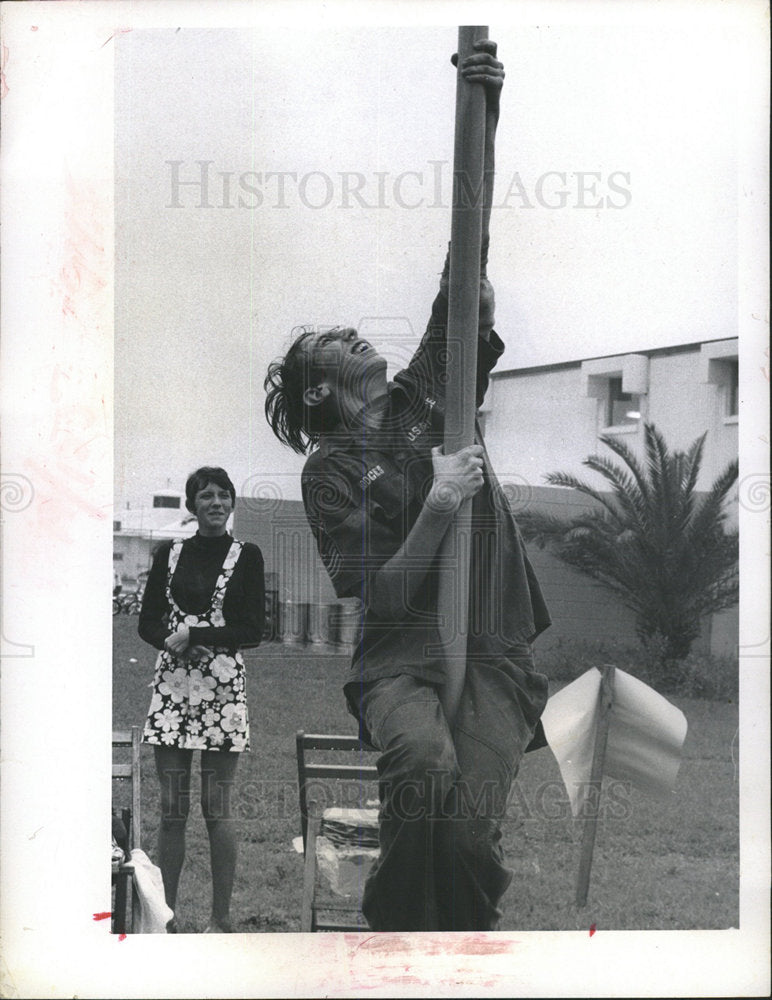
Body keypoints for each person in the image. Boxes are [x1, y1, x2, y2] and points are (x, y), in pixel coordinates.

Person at [264, 41, 551, 932]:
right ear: (320, 390)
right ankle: (394, 953)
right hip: (400, 658)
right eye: (338, 343)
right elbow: (380, 595)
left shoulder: (428, 391)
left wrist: (482, 102)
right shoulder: (332, 469)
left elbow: (469, 244)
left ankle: (445, 956)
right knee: (421, 773)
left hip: (494, 641)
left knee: (467, 834)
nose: (357, 338)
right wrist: (436, 503)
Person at [138, 466, 264, 932]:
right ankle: (166, 919)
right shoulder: (169, 554)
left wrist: (201, 633)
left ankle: (220, 918)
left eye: (223, 495)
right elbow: (148, 621)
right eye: (205, 496)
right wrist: (180, 641)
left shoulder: (246, 555)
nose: (215, 502)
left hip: (222, 691)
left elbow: (254, 629)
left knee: (217, 808)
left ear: (231, 503)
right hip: (172, 687)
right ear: (192, 506)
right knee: (173, 810)